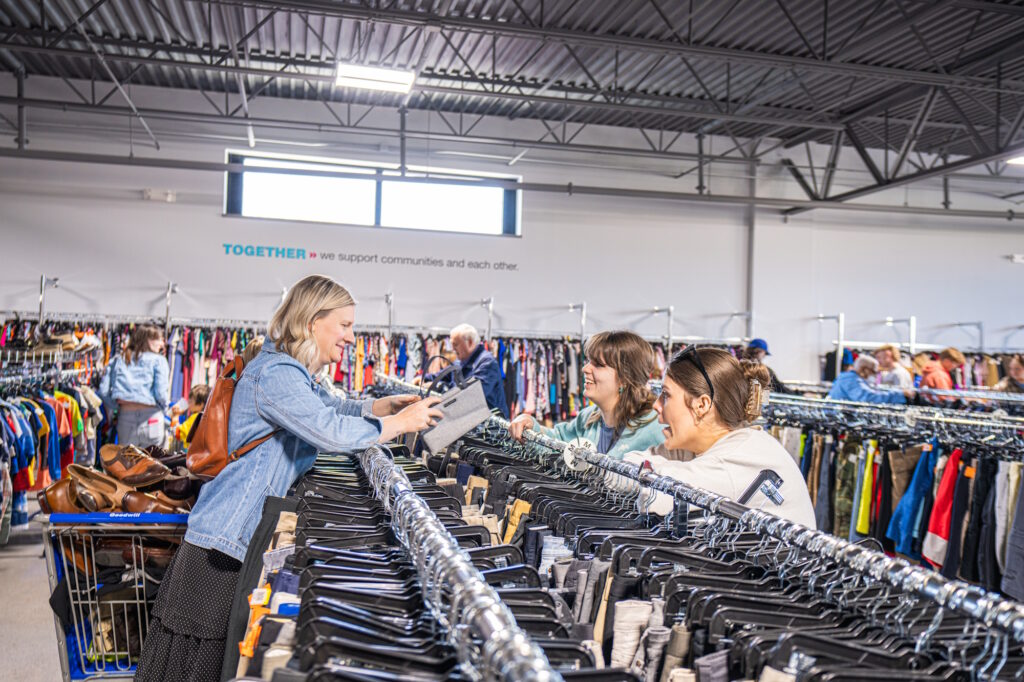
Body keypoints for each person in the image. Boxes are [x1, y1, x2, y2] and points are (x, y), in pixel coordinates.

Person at [134, 275, 443, 681]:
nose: (351, 336)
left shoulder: (290, 372)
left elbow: (332, 409)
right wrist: (397, 424)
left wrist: (381, 405)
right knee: (191, 666)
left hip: (229, 537)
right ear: (313, 321)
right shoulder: (277, 374)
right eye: (345, 325)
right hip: (222, 542)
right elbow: (326, 429)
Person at [622, 346, 816, 527]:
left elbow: (654, 499)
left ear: (702, 405)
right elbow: (631, 463)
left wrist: (655, 469)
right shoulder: (712, 446)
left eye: (666, 395)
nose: (656, 405)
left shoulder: (737, 459)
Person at [507, 330, 665, 459]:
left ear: (625, 378)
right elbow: (557, 442)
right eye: (588, 361)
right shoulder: (589, 418)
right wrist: (528, 422)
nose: (585, 369)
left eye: (598, 365)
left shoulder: (655, 429)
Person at [99, 324, 171, 448]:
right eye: (159, 339)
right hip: (152, 418)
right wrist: (165, 410)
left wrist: (117, 406)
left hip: (125, 419)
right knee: (154, 464)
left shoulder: (119, 359)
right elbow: (161, 394)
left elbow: (104, 391)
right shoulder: (159, 361)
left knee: (128, 464)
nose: (162, 344)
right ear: (148, 340)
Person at [430, 324, 509, 417]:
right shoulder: (460, 362)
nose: (453, 349)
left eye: (455, 344)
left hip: (492, 426)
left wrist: (441, 387)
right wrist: (422, 379)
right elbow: (441, 375)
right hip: (474, 421)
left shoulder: (487, 363)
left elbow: (473, 394)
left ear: (470, 342)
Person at [827, 356, 912, 404]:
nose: (874, 376)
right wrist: (900, 394)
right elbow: (868, 398)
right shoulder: (850, 380)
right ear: (865, 369)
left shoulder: (848, 377)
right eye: (873, 372)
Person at [171, 384, 211, 451]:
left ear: (201, 404)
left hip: (189, 453)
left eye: (191, 401)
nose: (188, 402)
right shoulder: (206, 417)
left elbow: (178, 433)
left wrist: (175, 416)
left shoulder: (195, 418)